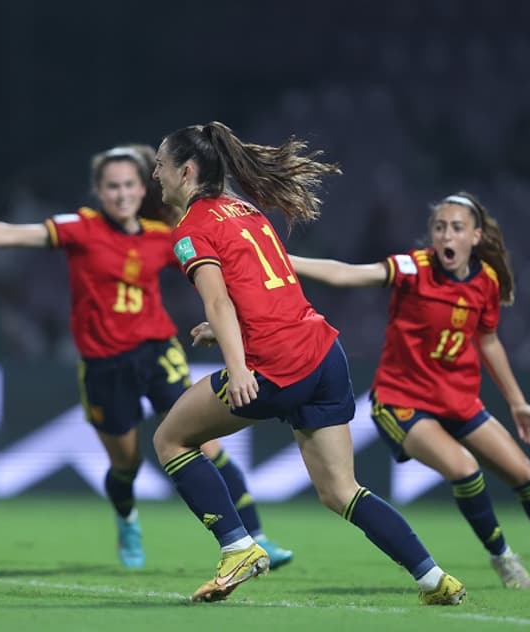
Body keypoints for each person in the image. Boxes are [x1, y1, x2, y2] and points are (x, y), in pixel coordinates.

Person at [0, 144, 292, 571]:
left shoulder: (158, 235)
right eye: (112, 186)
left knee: (207, 442)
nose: (122, 193)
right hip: (104, 365)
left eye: (129, 184)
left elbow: (217, 269)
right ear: (99, 190)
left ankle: (256, 537)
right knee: (125, 463)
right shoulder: (81, 229)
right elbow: (12, 233)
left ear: (139, 187)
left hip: (157, 351)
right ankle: (127, 518)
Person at [151, 121, 465, 605]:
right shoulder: (246, 210)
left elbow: (218, 302)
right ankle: (434, 578)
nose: (155, 174)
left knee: (170, 439)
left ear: (187, 171)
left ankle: (238, 546)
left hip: (275, 364)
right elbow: (265, 285)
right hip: (322, 354)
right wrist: (229, 334)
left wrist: (237, 367)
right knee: (342, 491)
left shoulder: (191, 230)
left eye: (160, 164)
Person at [289, 191, 530, 590]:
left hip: (459, 400)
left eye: (457, 228)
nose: (446, 236)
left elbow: (489, 341)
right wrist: (281, 261)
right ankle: (504, 558)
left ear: (475, 236)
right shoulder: (414, 268)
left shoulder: (487, 282)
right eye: (440, 227)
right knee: (465, 469)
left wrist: (516, 401)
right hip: (401, 401)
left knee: (527, 475)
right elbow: (346, 273)